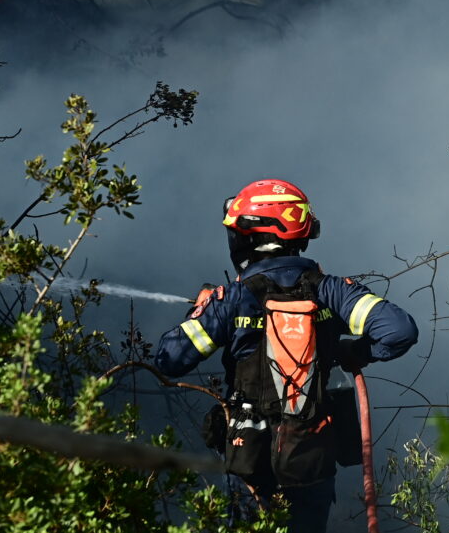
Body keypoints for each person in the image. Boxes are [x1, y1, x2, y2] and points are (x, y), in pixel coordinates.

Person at [155, 178, 418, 533]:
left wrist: (201, 312)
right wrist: (351, 350)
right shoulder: (332, 290)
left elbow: (169, 360)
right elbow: (399, 332)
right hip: (313, 459)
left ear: (249, 236)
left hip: (251, 462)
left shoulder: (232, 299)